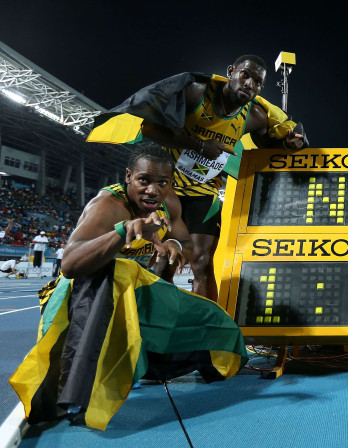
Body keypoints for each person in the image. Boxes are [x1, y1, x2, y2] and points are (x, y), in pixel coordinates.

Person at [10, 146, 248, 430]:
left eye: (162, 182)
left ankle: (157, 363)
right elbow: (70, 266)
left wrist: (173, 244)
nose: (152, 190)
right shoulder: (108, 206)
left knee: (218, 323)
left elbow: (181, 235)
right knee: (117, 270)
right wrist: (122, 232)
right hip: (85, 295)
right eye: (144, 180)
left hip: (134, 289)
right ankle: (77, 392)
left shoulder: (167, 201)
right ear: (128, 177)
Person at [87, 54, 307, 302]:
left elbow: (267, 148)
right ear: (231, 71)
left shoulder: (254, 116)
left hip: (204, 193)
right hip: (168, 189)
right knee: (164, 261)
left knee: (202, 263)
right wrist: (199, 145)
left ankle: (208, 335)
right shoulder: (196, 92)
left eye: (257, 82)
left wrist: (287, 145)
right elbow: (149, 128)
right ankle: (152, 324)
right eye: (245, 75)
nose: (249, 84)